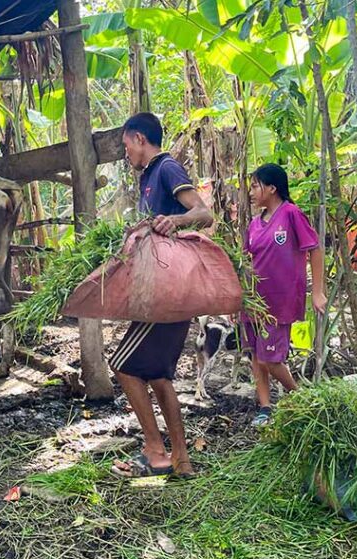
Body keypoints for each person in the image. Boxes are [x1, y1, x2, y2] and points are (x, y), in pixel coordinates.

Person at [109, 113, 214, 479]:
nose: (127, 154)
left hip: (165, 294)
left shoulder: (166, 168)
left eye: (126, 146)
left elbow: (203, 213)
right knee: (158, 375)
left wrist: (177, 221)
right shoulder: (149, 179)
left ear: (139, 138)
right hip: (166, 291)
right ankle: (181, 460)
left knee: (122, 365)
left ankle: (155, 450)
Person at [243, 163, 327, 427]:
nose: (252, 192)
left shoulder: (291, 214)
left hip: (279, 301)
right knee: (256, 355)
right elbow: (246, 259)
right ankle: (265, 407)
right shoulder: (255, 224)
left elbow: (315, 249)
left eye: (256, 185)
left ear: (272, 188)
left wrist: (318, 291)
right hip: (253, 300)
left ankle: (299, 395)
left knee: (270, 358)